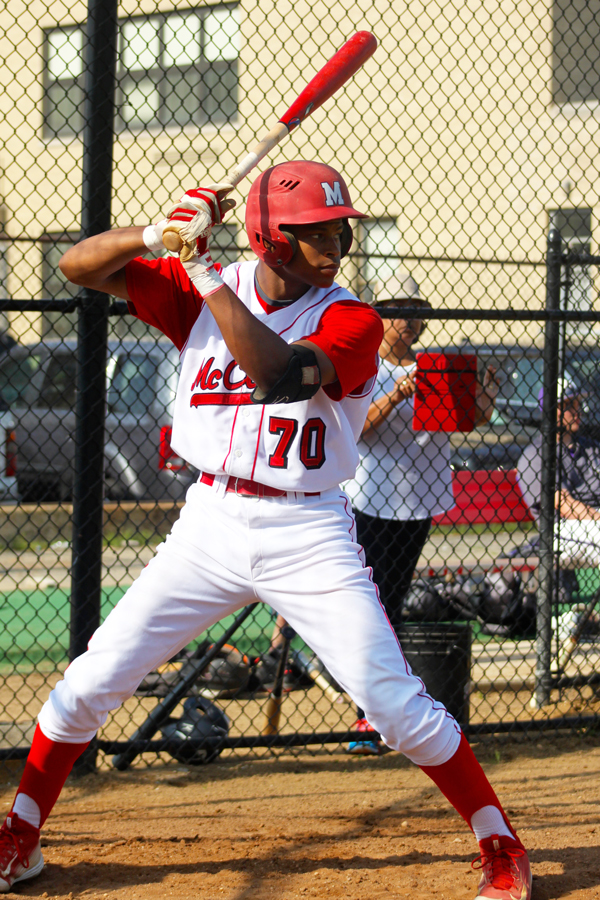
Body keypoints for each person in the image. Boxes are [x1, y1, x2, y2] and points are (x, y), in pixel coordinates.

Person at [0, 161, 531, 900]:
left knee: (392, 703)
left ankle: (500, 842)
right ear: (272, 241)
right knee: (90, 681)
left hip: (307, 527)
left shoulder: (352, 319)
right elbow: (76, 266)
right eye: (316, 233)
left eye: (339, 229)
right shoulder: (195, 293)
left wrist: (205, 267)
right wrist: (160, 232)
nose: (337, 244)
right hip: (208, 524)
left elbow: (279, 373)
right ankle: (20, 837)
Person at [342, 272, 499, 753]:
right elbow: (357, 430)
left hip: (419, 501)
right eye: (399, 310)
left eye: (417, 311)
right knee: (375, 606)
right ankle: (368, 715)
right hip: (374, 500)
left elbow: (470, 421)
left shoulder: (434, 365)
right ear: (379, 314)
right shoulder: (365, 367)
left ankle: (383, 713)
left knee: (393, 603)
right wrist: (397, 394)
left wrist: (484, 392)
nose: (411, 320)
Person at [518, 373, 600, 567]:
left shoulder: (591, 448)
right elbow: (564, 505)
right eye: (568, 405)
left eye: (577, 403)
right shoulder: (536, 455)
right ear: (550, 410)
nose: (576, 410)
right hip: (561, 531)